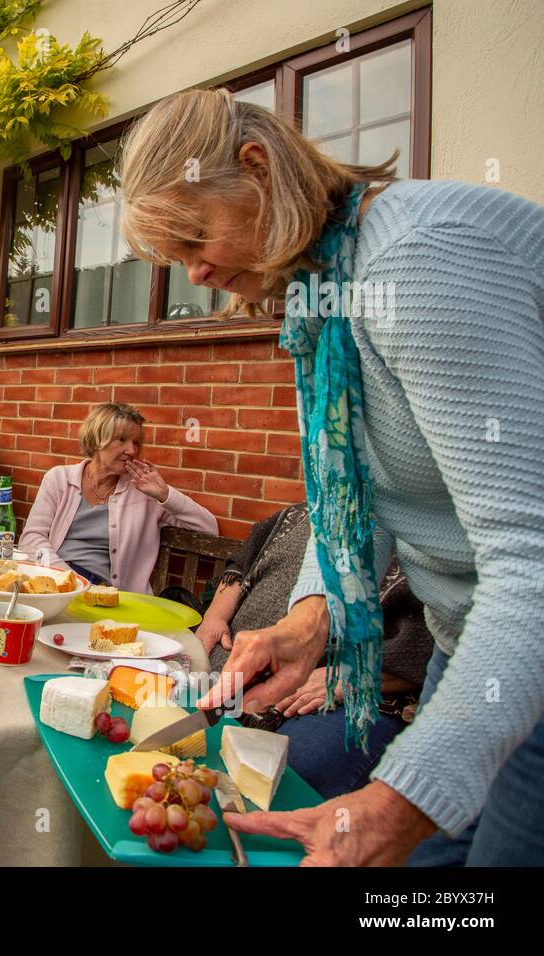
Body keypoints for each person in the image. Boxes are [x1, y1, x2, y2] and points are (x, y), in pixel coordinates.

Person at [119, 88, 544, 865]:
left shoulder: (418, 256)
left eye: (195, 237)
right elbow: (363, 491)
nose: (197, 272)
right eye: (174, 258)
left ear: (257, 169)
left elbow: (535, 560)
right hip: (477, 647)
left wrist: (399, 803)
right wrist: (314, 618)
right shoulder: (325, 297)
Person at [197, 503, 433, 798]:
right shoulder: (294, 516)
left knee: (290, 772)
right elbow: (238, 567)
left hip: (352, 690)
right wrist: (214, 617)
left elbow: (444, 646)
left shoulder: (436, 540)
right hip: (238, 666)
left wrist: (357, 675)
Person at [19, 402, 217, 591]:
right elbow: (31, 538)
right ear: (97, 439)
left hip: (108, 595)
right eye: (121, 440)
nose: (131, 450)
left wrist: (165, 494)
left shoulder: (144, 492)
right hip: (57, 583)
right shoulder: (60, 479)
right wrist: (69, 580)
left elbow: (209, 529)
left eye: (136, 443)